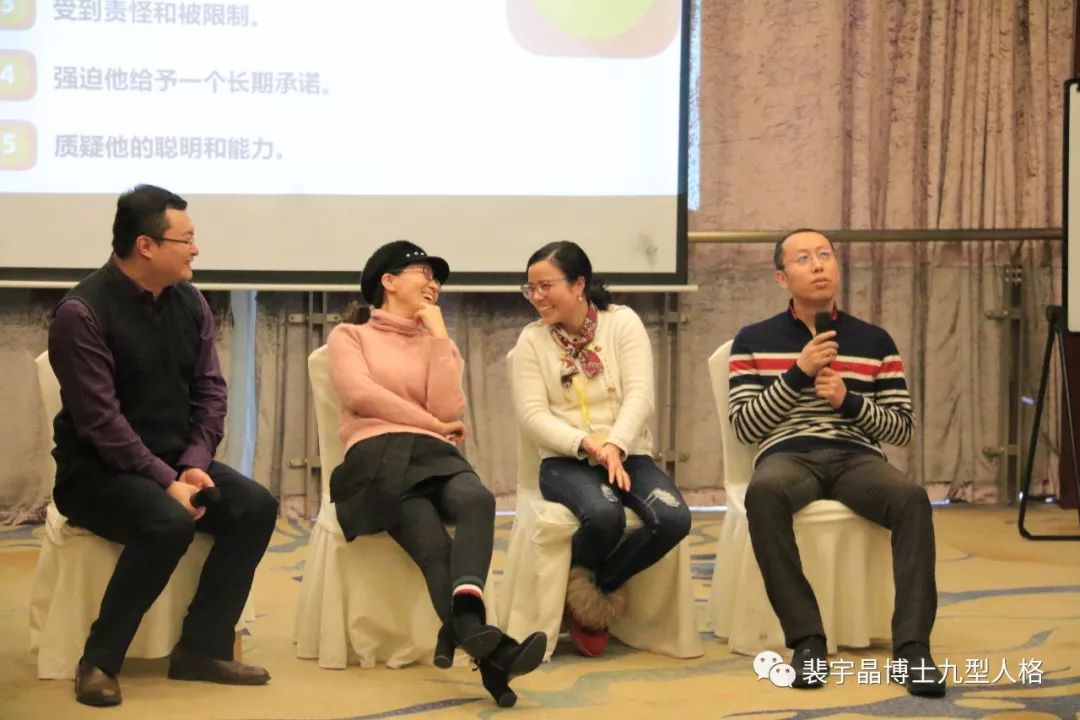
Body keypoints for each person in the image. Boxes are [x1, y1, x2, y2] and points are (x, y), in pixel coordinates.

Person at [47, 184, 278, 707]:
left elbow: (210, 392)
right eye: (186, 239)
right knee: (168, 521)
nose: (196, 249)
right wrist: (165, 481)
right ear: (146, 246)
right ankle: (99, 660)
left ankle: (201, 648)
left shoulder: (189, 301)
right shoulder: (81, 313)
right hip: (96, 473)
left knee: (255, 506)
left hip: (174, 461)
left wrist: (193, 464)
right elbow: (101, 422)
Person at [327, 240, 545, 708]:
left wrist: (440, 336)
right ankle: (492, 655)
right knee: (435, 548)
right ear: (388, 282)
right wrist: (429, 422)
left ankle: (463, 629)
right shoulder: (350, 336)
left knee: (478, 499)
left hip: (433, 455)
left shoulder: (437, 342)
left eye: (437, 278)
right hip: (378, 455)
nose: (433, 284)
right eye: (423, 273)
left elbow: (448, 410)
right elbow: (361, 395)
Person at [727, 228, 944, 696]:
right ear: (782, 277)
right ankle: (807, 641)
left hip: (856, 456)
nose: (819, 265)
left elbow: (901, 430)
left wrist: (849, 401)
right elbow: (744, 426)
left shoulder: (874, 340)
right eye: (804, 258)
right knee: (763, 494)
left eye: (825, 255)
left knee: (911, 499)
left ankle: (913, 649)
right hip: (787, 453)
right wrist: (798, 372)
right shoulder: (752, 339)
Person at [511, 241, 691, 658]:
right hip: (566, 459)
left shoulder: (622, 323)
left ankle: (593, 589)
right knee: (604, 515)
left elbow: (641, 395)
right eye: (530, 288)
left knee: (673, 519)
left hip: (627, 452)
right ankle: (585, 606)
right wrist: (587, 444)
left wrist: (615, 444)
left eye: (545, 286)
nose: (536, 297)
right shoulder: (532, 340)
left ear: (578, 285)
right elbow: (531, 415)